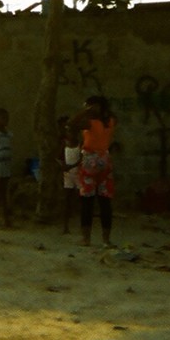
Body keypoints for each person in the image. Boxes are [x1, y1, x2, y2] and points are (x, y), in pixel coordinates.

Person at [76, 95, 115, 246]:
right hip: (105, 160)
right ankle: (106, 239)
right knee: (105, 201)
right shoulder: (110, 121)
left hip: (89, 161)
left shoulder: (89, 123)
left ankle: (86, 239)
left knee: (87, 201)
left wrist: (85, 112)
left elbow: (71, 124)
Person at [58, 115, 81, 234]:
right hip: (67, 175)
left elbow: (81, 159)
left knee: (79, 199)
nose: (70, 134)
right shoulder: (64, 144)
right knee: (67, 199)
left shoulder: (79, 145)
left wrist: (71, 166)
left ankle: (81, 225)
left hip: (78, 174)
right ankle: (65, 226)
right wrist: (62, 165)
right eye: (68, 132)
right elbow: (58, 156)